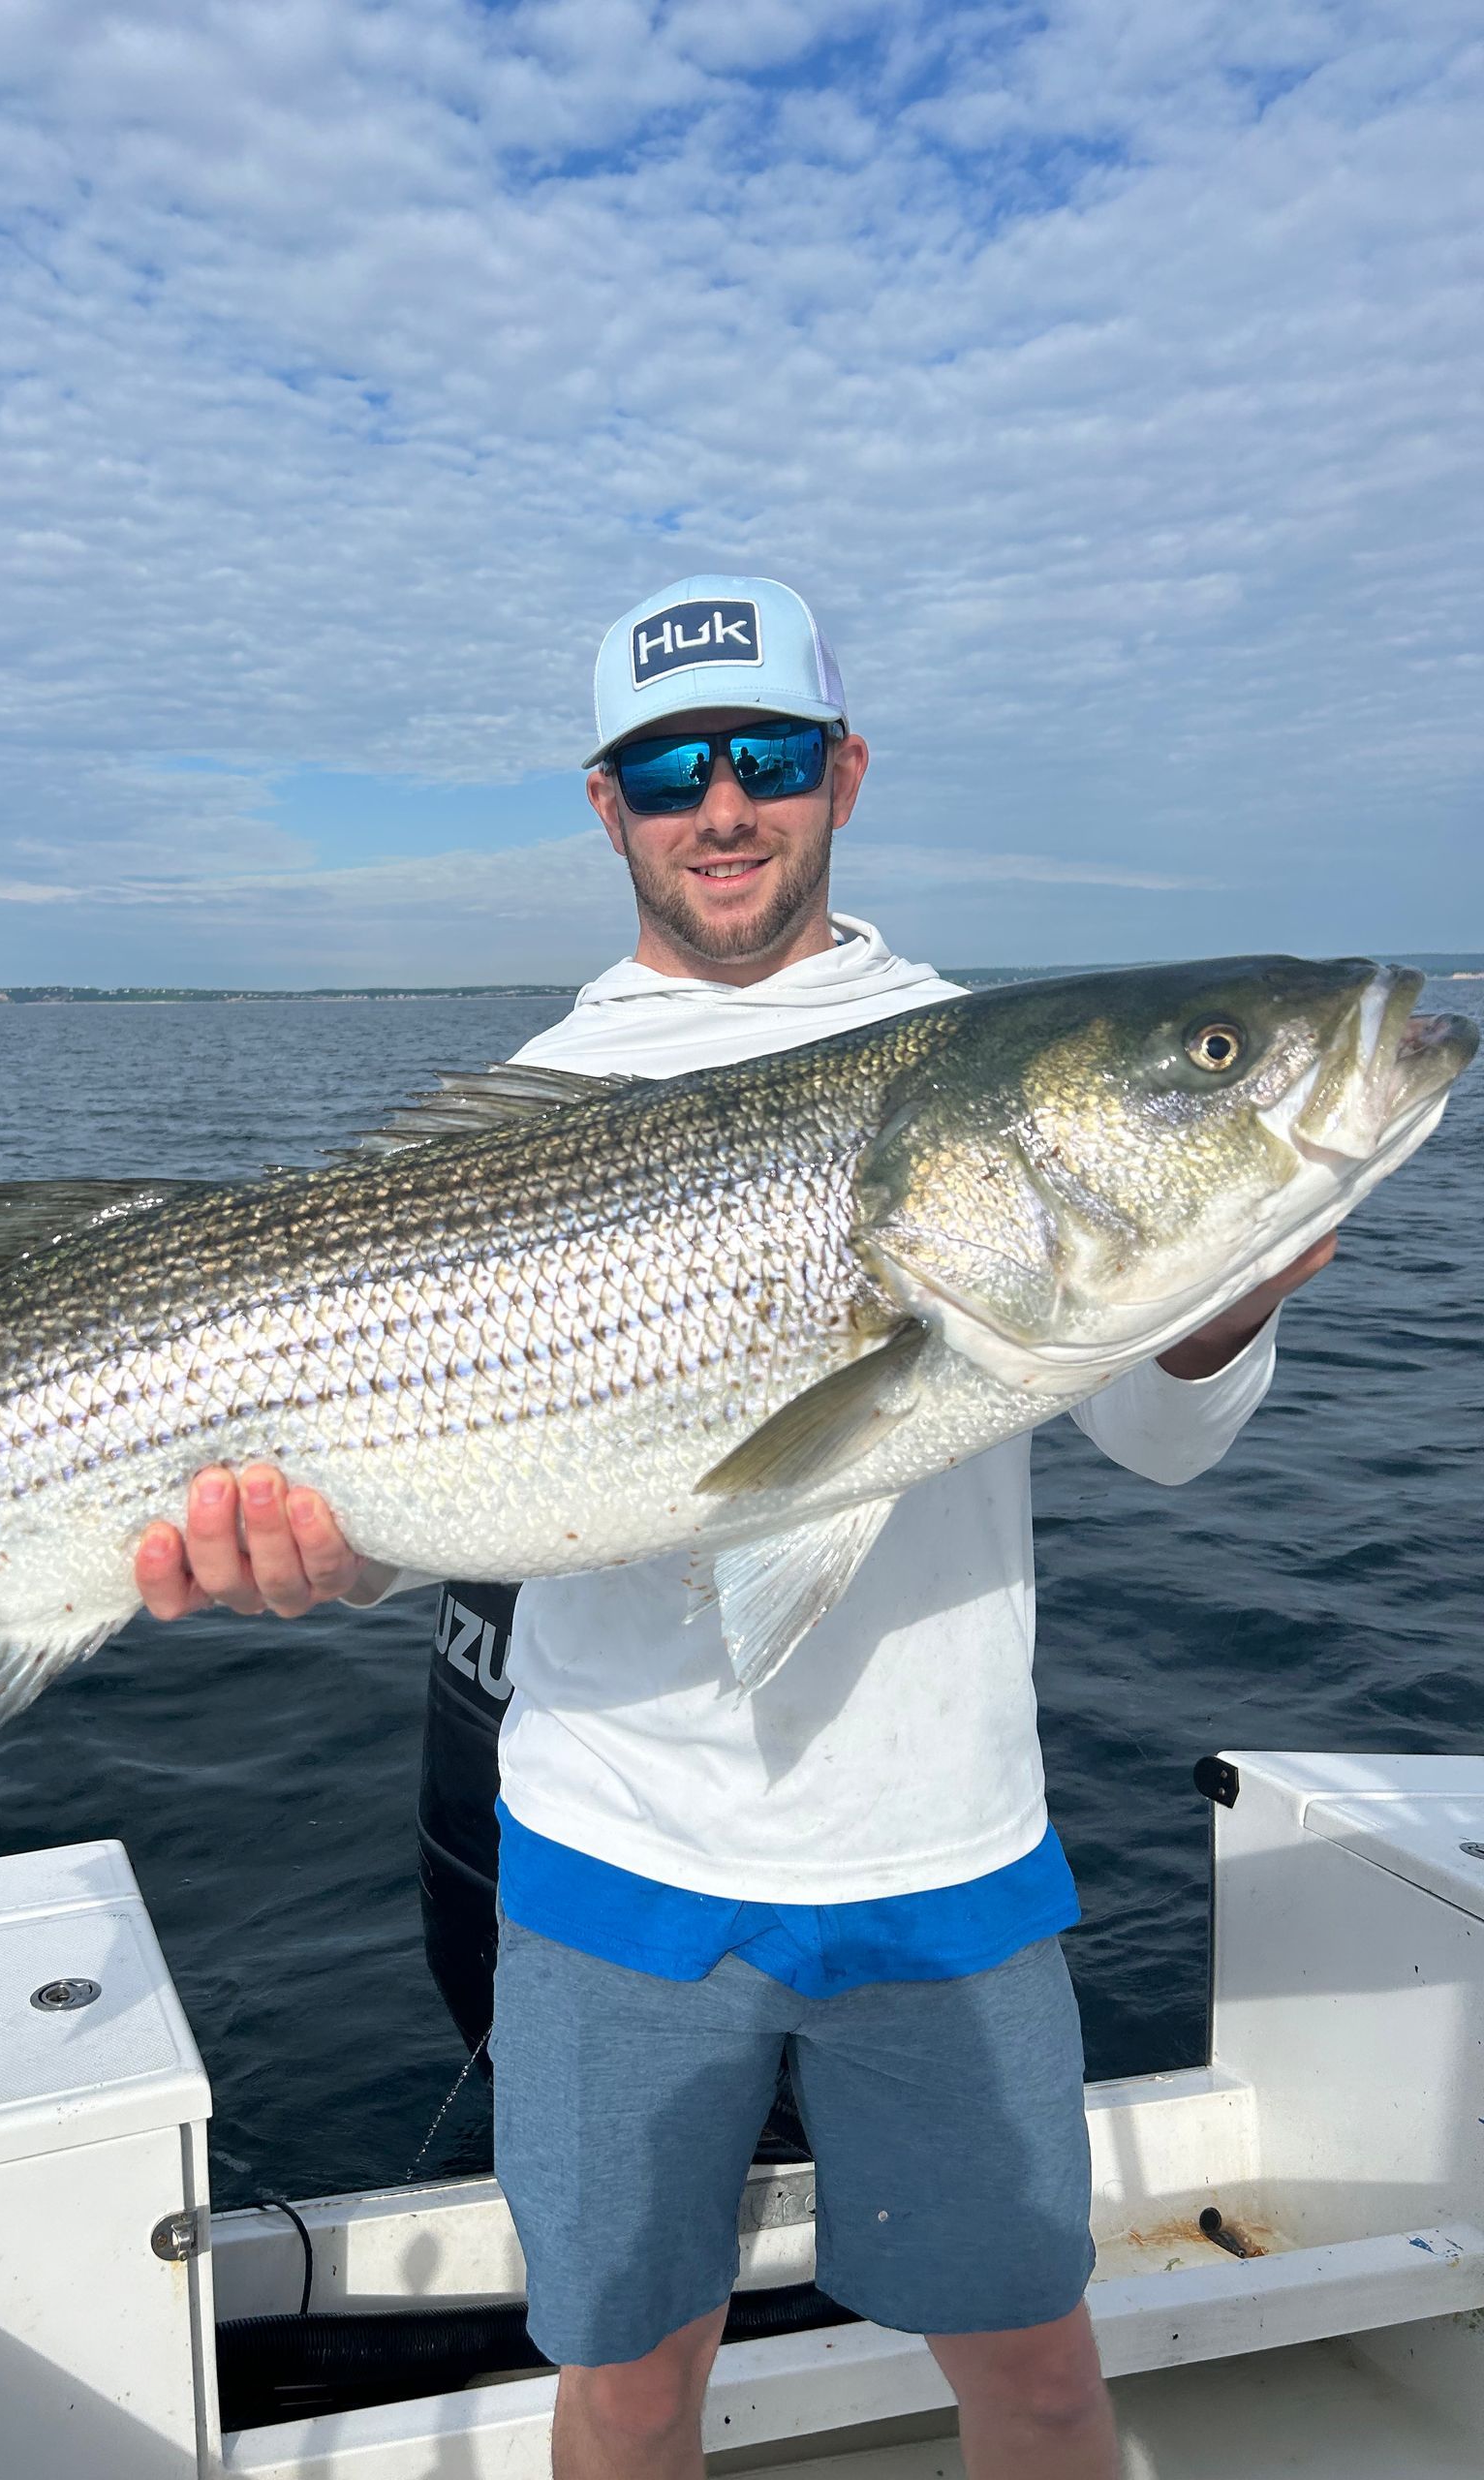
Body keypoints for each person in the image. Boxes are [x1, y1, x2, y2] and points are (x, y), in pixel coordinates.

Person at [135, 575, 1335, 2480]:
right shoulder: (538, 1099)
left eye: (764, 755)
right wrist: (318, 1556)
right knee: (625, 2386)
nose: (722, 804)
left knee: (1037, 2372)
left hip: (944, 1857)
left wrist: (1225, 1304)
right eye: (670, 767)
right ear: (605, 804)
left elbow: (1163, 1435)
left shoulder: (978, 1060)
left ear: (841, 771)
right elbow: (419, 1501)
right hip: (614, 1858)